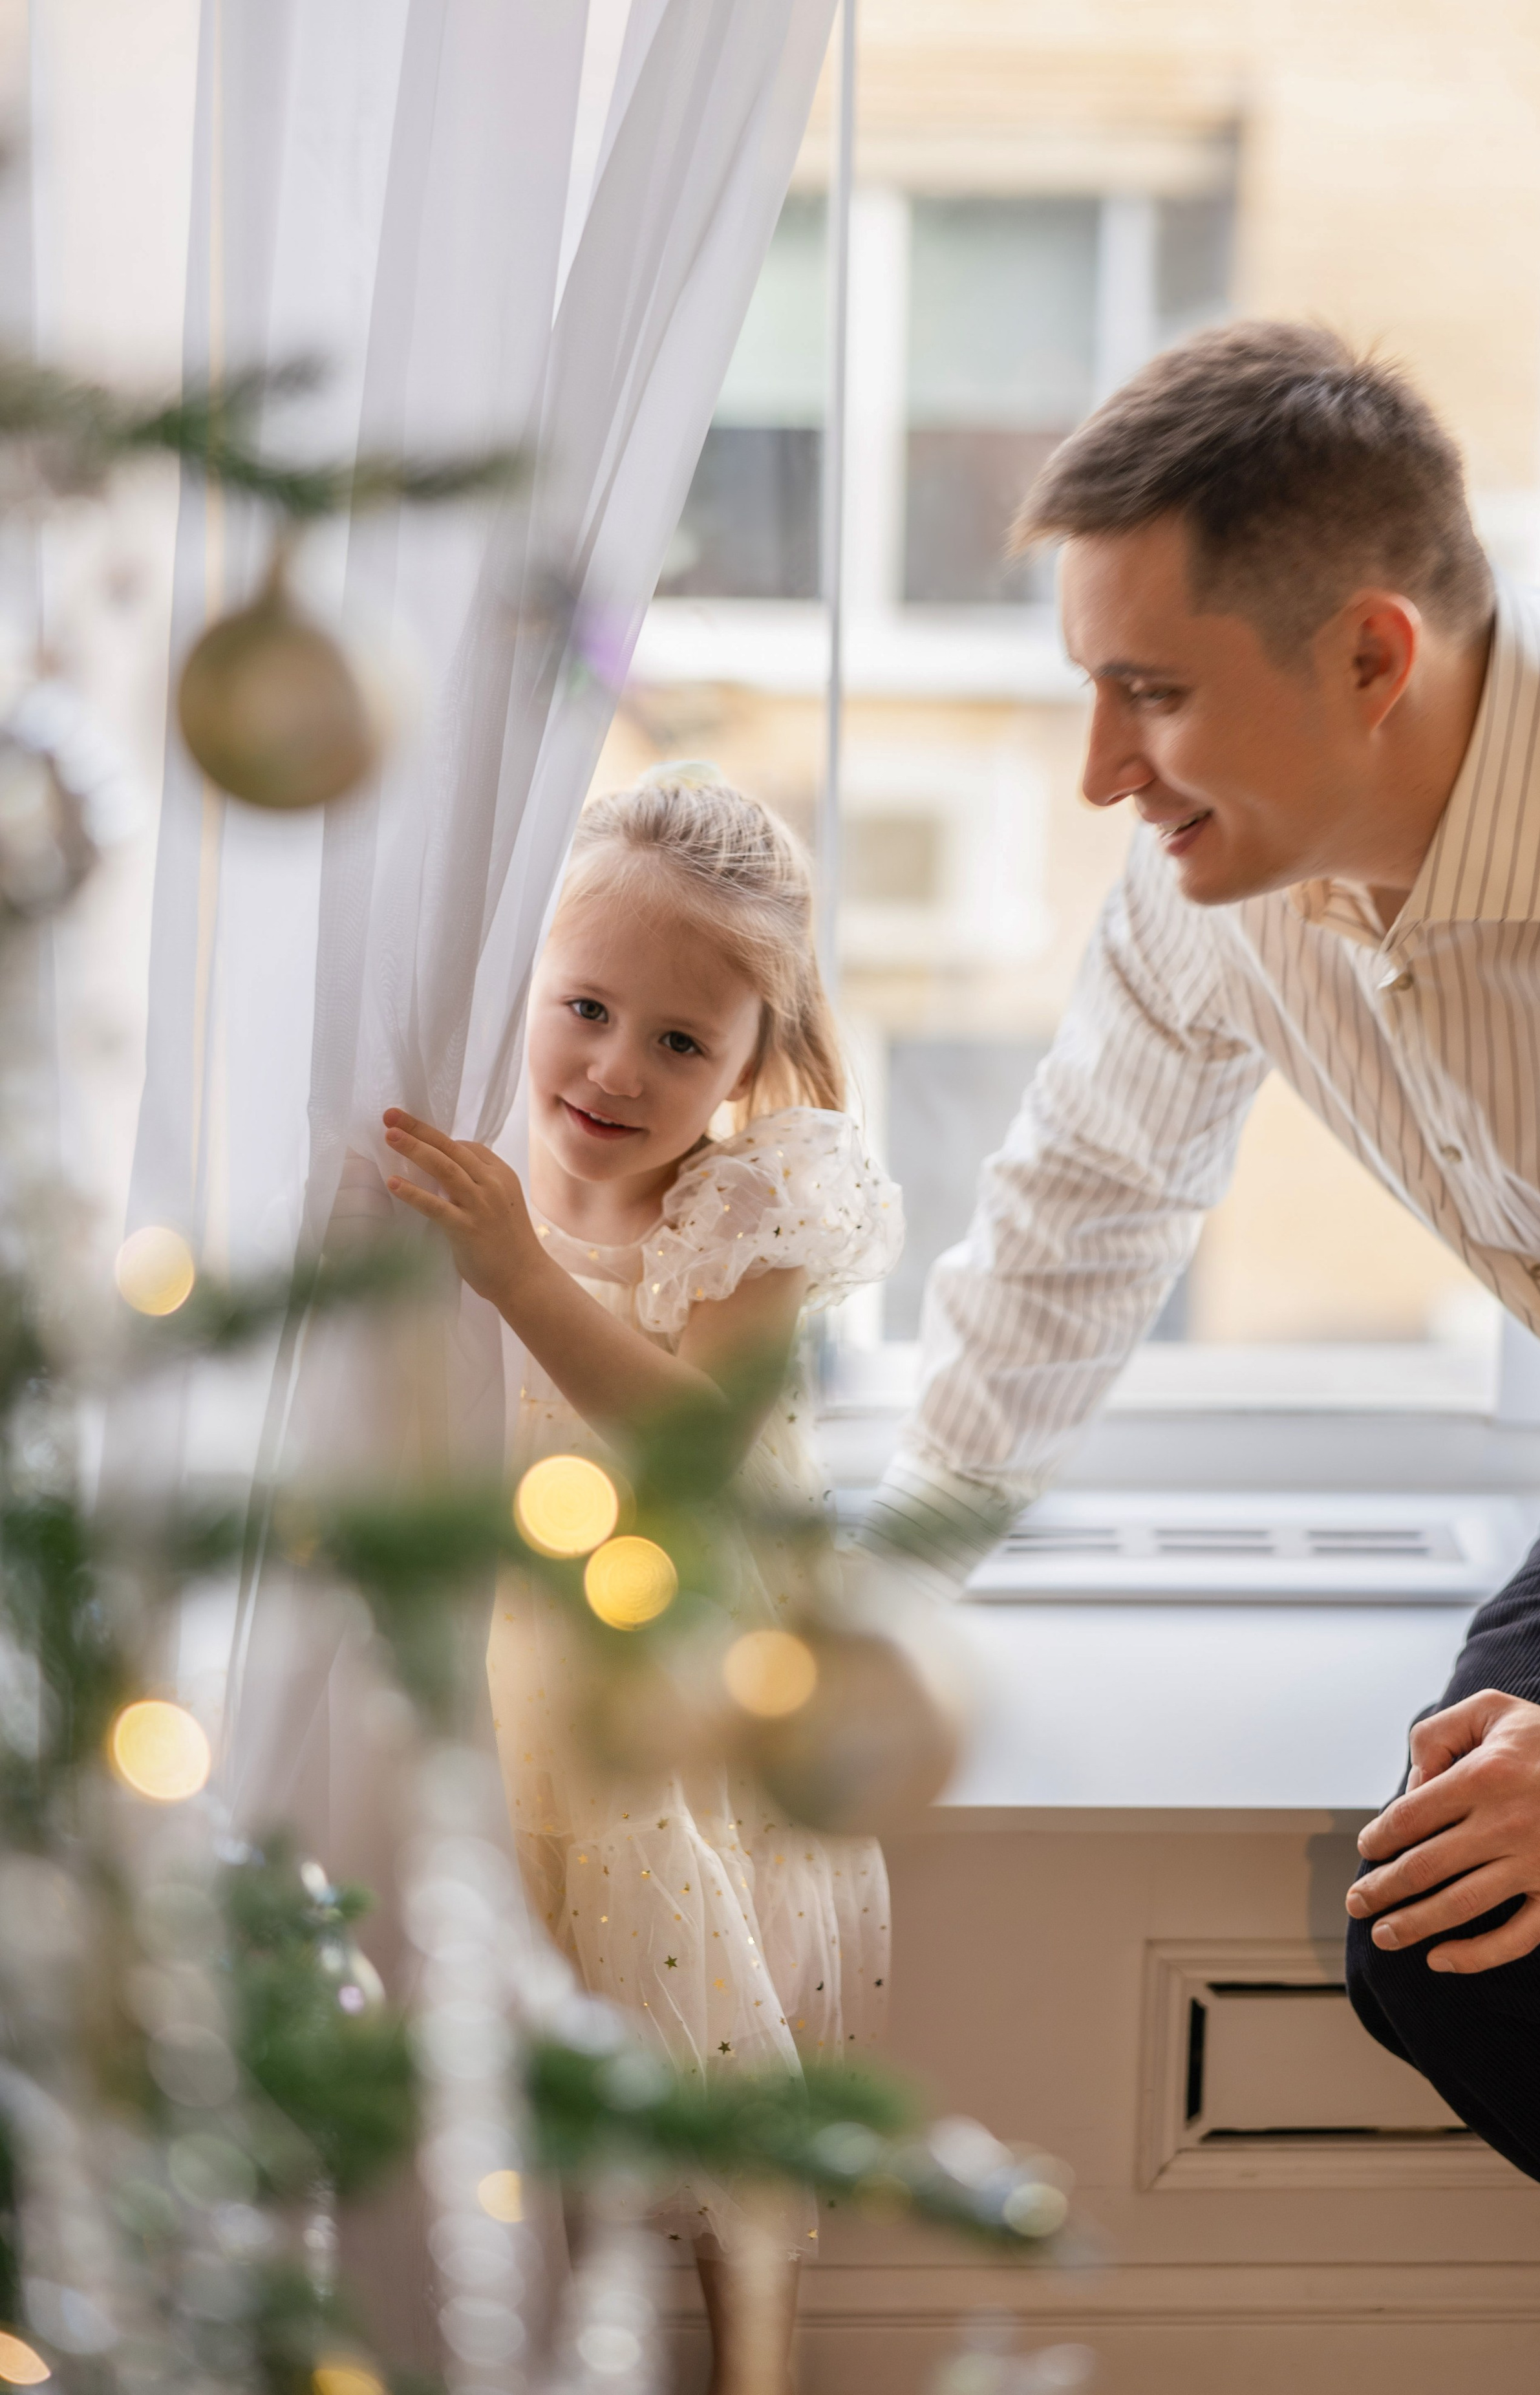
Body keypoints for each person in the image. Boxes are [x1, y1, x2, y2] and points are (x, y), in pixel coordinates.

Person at [861, 319, 1540, 2267]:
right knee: (1456, 1939)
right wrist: (878, 1599)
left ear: (1373, 657)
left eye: (1151, 695)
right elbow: (1082, 1208)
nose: (1097, 774)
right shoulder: (1209, 891)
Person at [381, 763, 903, 2372]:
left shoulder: (749, 1210)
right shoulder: (477, 1167)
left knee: (712, 2106)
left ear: (754, 1061)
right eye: (586, 1009)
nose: (615, 1068)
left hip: (664, 1711)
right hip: (496, 1687)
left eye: (681, 1042)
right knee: (525, 2106)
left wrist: (519, 1276)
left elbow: (692, 1446)